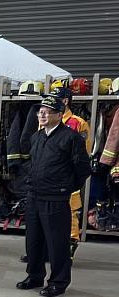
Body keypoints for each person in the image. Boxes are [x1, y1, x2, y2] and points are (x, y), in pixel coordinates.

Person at [16, 95, 91, 297]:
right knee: (34, 241)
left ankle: (58, 281)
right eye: (40, 110)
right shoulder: (37, 137)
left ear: (59, 114)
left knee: (57, 243)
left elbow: (82, 169)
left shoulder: (71, 137)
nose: (42, 114)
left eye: (48, 111)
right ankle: (34, 276)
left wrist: (65, 188)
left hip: (55, 198)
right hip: (34, 196)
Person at [54, 86, 92, 258]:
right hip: (48, 176)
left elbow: (84, 153)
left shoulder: (78, 123)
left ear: (65, 101)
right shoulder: (46, 120)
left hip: (67, 176)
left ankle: (70, 244)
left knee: (70, 211)